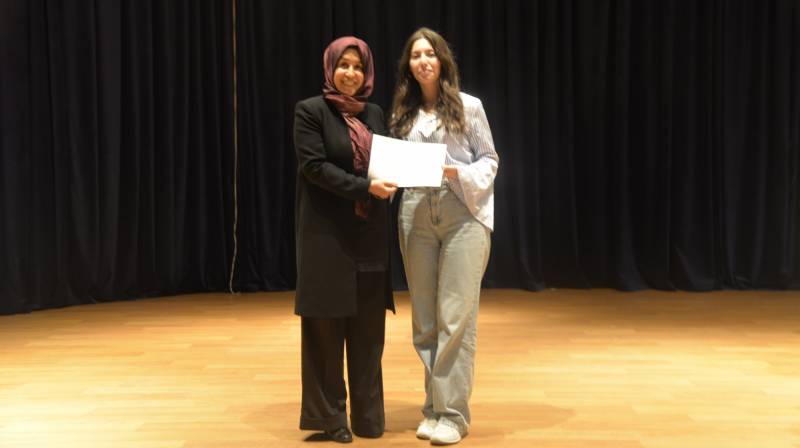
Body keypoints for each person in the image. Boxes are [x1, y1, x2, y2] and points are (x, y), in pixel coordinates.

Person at [389, 28, 499, 445]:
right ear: (409, 65)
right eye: (416, 55)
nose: (423, 61)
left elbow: (490, 159)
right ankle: (433, 407)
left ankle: (453, 414)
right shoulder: (403, 113)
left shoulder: (470, 107)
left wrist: (458, 172)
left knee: (455, 318)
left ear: (442, 60)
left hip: (461, 212)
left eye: (430, 53)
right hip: (416, 210)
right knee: (425, 320)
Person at [293, 36, 397, 444]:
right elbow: (314, 167)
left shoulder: (375, 113)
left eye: (358, 66)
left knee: (369, 333)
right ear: (330, 68)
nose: (351, 73)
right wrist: (366, 188)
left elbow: (387, 164)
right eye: (344, 65)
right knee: (325, 330)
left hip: (370, 237)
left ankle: (368, 417)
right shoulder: (310, 111)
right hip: (326, 237)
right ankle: (329, 418)